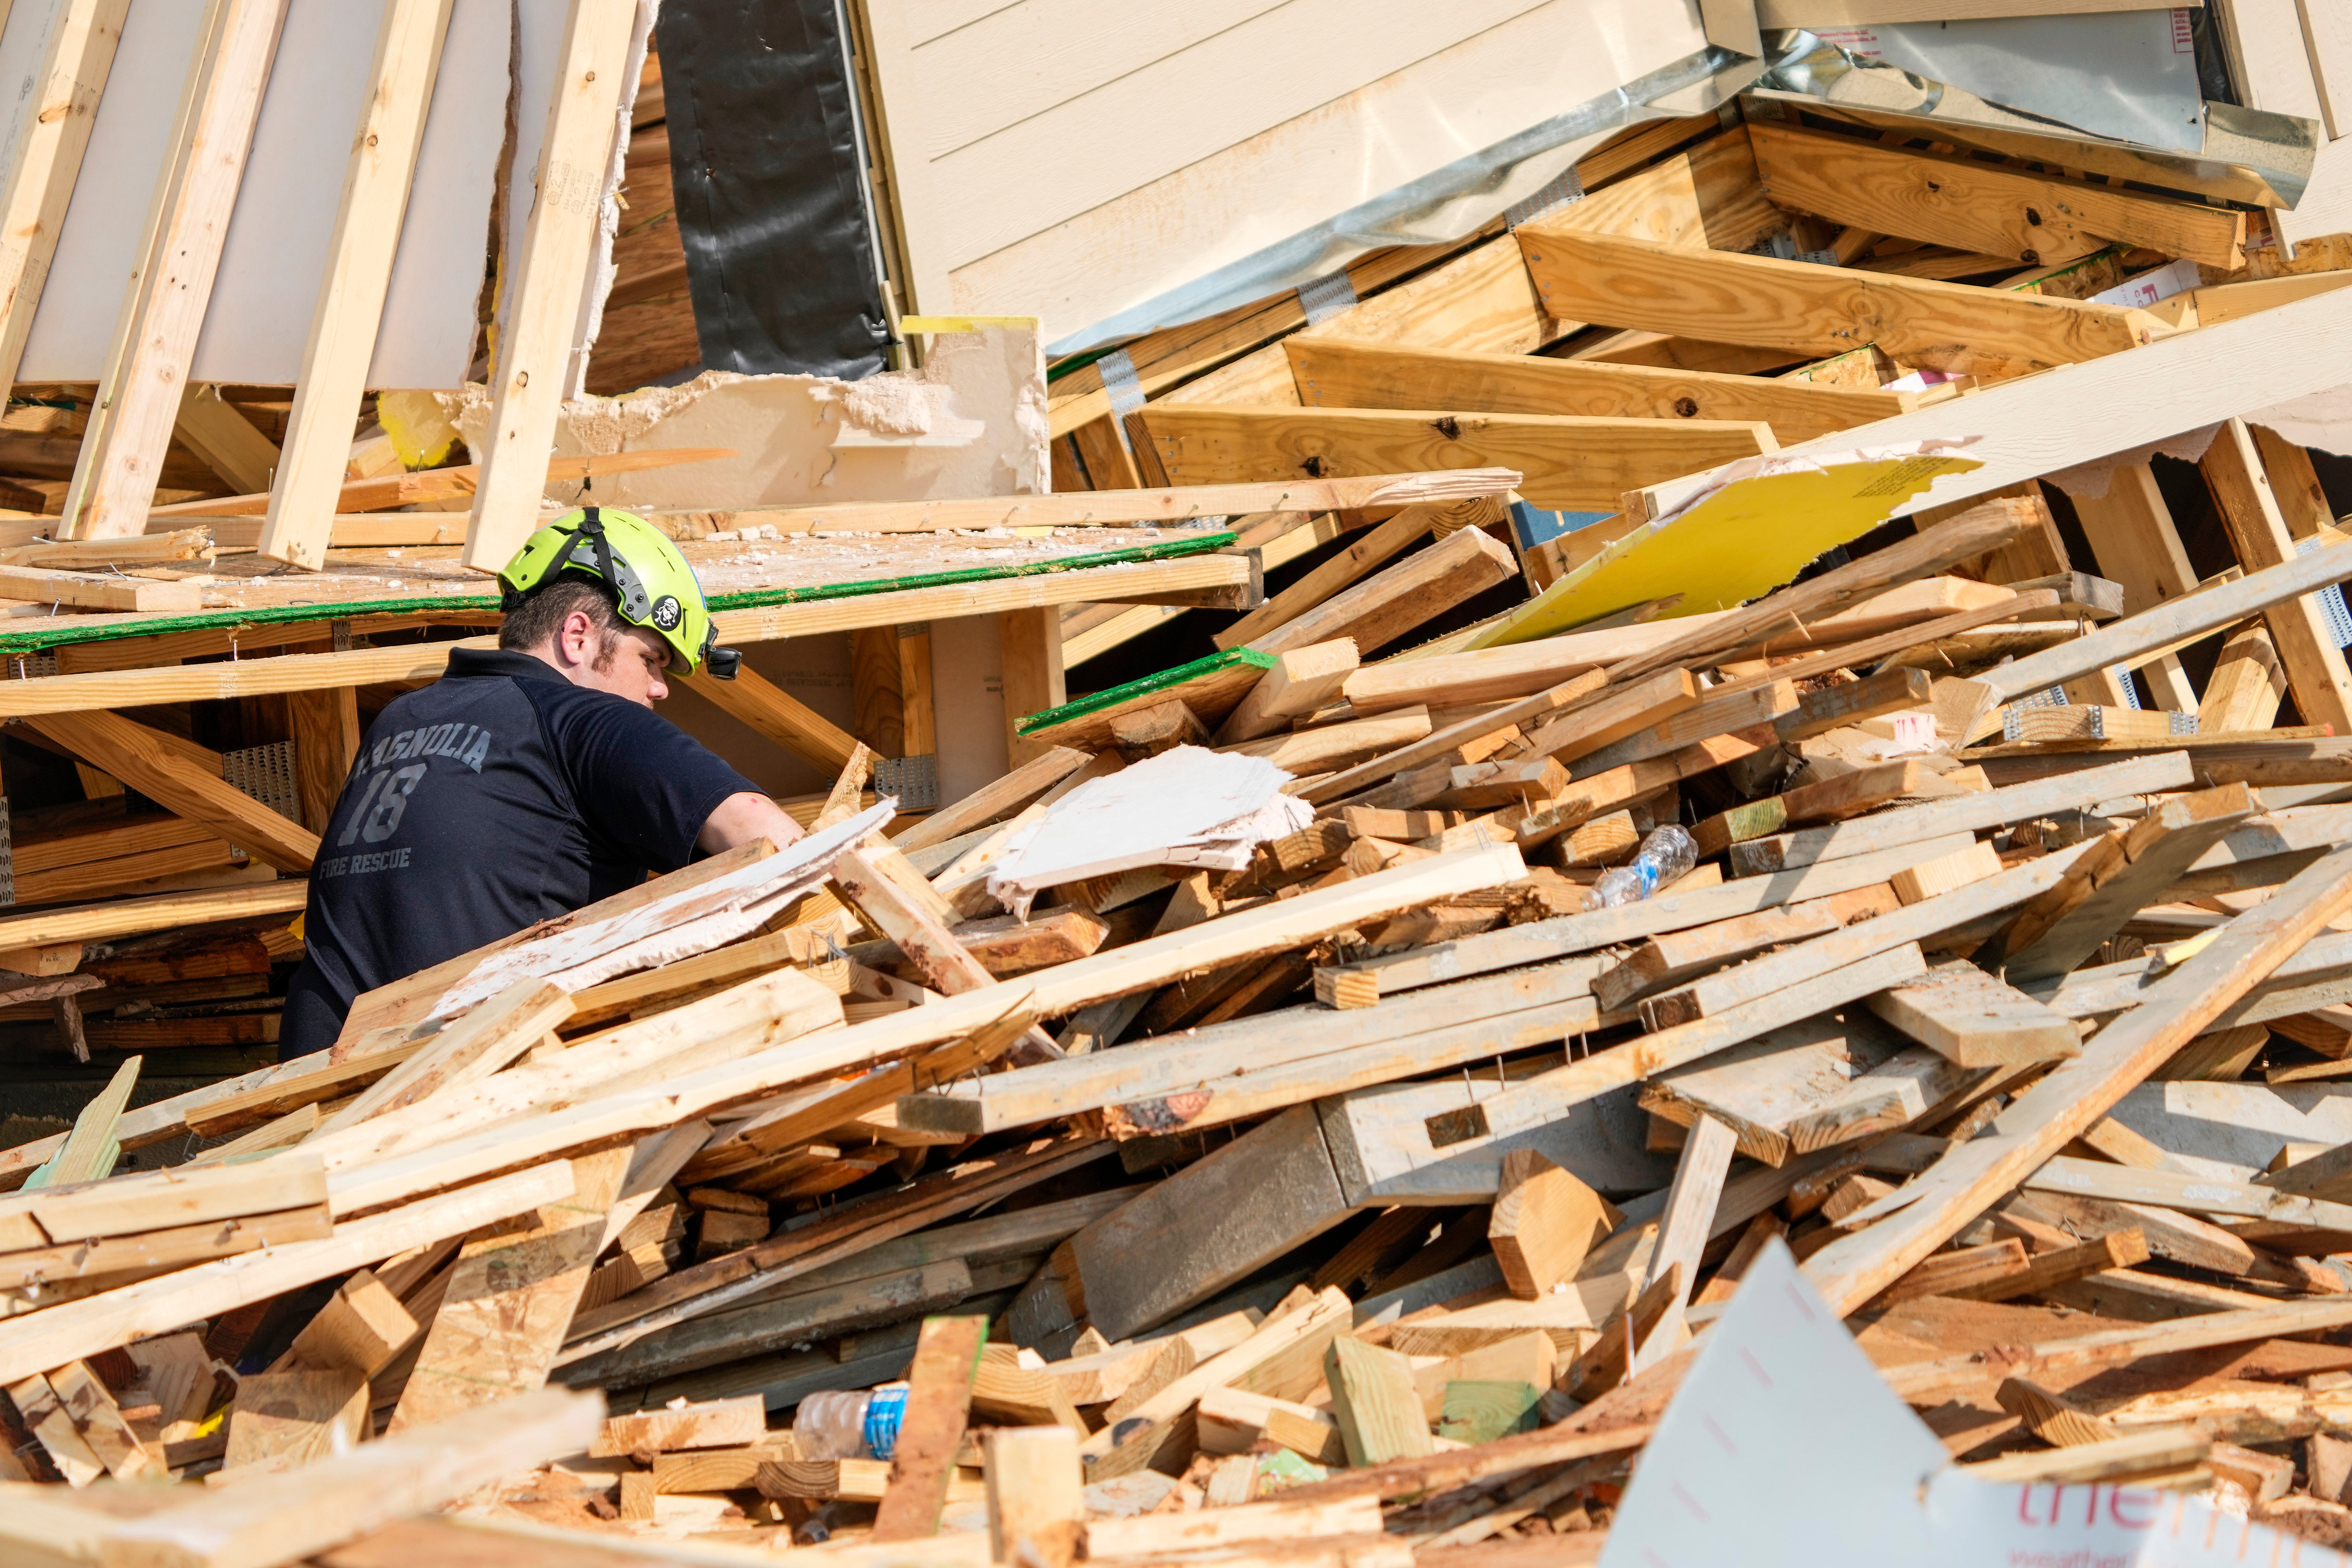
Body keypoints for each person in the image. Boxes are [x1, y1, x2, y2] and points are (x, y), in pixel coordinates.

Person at [280, 506, 806, 1057]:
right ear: (578, 635)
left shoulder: (402, 720)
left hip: (313, 1089)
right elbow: (773, 841)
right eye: (650, 658)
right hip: (465, 1099)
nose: (659, 690)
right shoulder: (582, 718)